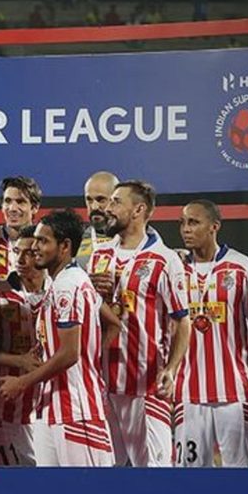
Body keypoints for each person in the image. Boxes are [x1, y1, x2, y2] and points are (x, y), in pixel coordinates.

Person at [0, 210, 115, 467]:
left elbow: (70, 353)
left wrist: (22, 382)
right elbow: (112, 325)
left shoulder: (68, 284)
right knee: (50, 490)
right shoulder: (61, 282)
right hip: (50, 409)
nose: (35, 247)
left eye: (43, 241)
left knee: (87, 490)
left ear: (64, 246)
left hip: (76, 411)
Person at [88, 181, 190, 467]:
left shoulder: (165, 260)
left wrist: (171, 369)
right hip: (103, 385)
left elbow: (183, 322)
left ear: (138, 210)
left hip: (147, 386)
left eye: (116, 202)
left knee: (154, 476)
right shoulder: (99, 256)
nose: (108, 208)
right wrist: (93, 293)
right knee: (107, 474)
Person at [174, 200, 248, 467]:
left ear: (214, 226)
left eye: (194, 222)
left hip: (234, 391)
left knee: (240, 472)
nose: (186, 229)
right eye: (183, 223)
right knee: (189, 474)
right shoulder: (175, 268)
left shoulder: (242, 267)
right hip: (187, 391)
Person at [0, 226, 48, 466]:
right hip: (0, 404)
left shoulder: (58, 290)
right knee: (8, 477)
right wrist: (19, 361)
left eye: (29, 253)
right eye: (17, 252)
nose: (20, 260)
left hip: (43, 408)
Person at [0, 176, 42, 283]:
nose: (12, 208)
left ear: (34, 208)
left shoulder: (43, 242)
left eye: (20, 202)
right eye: (8, 201)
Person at [76, 171, 119, 270]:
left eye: (101, 200)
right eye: (89, 200)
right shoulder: (76, 239)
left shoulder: (135, 240)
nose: (94, 207)